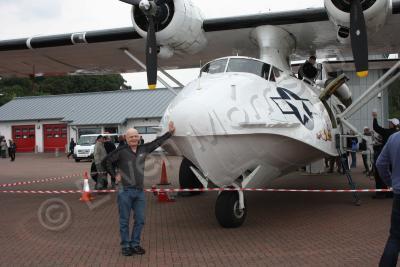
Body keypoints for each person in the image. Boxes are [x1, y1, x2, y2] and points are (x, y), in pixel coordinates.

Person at [103, 121, 175, 257]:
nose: (134, 139)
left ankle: (135, 244)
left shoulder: (143, 149)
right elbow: (105, 162)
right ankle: (125, 246)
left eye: (136, 136)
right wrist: (114, 175)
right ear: (126, 138)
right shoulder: (121, 151)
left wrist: (169, 133)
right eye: (131, 137)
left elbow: (157, 142)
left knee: (140, 219)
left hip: (139, 192)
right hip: (125, 191)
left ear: (139, 137)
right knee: (124, 220)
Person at [376, 132, 400, 266]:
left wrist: (391, 182)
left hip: (399, 194)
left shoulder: (394, 138)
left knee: (395, 237)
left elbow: (380, 163)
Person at [372, 112, 399, 198]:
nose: (389, 124)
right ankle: (390, 193)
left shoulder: (388, 133)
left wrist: (375, 117)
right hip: (394, 160)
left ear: (393, 125)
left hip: (387, 158)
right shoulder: (396, 134)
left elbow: (376, 127)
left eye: (390, 123)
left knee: (380, 174)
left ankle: (381, 192)